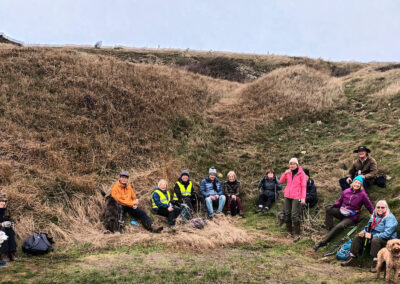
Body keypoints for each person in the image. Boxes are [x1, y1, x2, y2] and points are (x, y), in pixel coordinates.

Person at [314, 176, 374, 251]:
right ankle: (329, 228)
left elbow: (369, 206)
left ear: (361, 185)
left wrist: (374, 214)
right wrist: (334, 205)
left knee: (338, 227)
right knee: (328, 209)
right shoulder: (346, 191)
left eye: (359, 183)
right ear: (352, 183)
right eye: (356, 182)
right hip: (342, 212)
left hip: (351, 217)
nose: (357, 184)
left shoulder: (363, 195)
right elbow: (339, 202)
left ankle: (323, 242)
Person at [341, 200, 398, 272]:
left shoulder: (390, 218)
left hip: (388, 240)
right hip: (373, 236)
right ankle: (352, 258)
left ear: (386, 208)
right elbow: (367, 227)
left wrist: (372, 236)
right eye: (378, 207)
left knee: (375, 240)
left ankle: (377, 263)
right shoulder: (374, 215)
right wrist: (362, 232)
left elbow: (387, 234)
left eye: (382, 207)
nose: (380, 209)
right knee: (358, 237)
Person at [280, 158, 306, 241]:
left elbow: (303, 186)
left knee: (294, 215)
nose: (292, 165)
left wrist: (303, 198)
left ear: (297, 165)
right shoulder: (288, 172)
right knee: (287, 214)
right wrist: (284, 173)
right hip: (287, 196)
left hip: (296, 196)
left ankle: (297, 234)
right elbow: (281, 181)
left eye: (294, 164)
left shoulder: (301, 174)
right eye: (290, 163)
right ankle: (289, 232)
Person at [0, 192, 17, 262]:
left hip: (4, 229)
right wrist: (1, 224)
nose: (3, 203)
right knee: (3, 230)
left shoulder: (5, 210)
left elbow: (10, 219)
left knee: (10, 231)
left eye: (4, 201)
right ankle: (4, 254)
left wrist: (10, 223)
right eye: (1, 201)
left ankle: (12, 253)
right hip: (1, 230)